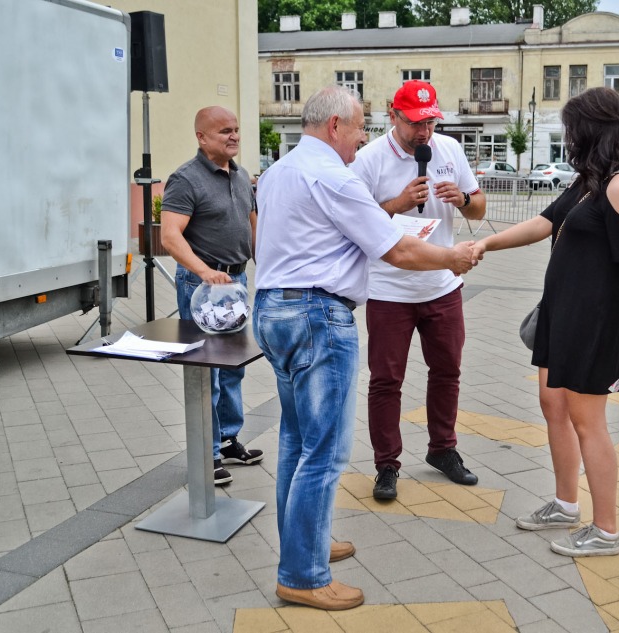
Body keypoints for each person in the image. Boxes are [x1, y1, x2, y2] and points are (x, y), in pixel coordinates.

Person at [253, 85, 475, 610]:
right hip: (317, 317)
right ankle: (303, 576)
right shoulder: (334, 177)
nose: (362, 137)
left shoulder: (280, 171)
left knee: (296, 441)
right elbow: (397, 249)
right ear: (335, 126)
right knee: (324, 451)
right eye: (358, 128)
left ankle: (305, 542)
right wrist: (452, 258)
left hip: (274, 309)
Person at [471, 87, 619, 557]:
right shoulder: (589, 180)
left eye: (572, 128)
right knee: (553, 405)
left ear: (593, 128)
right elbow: (543, 223)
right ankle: (566, 504)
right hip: (561, 313)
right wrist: (485, 244)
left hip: (594, 323)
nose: (568, 137)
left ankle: (606, 531)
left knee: (588, 422)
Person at [349, 80, 487, 500]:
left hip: (442, 285)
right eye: (415, 123)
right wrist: (396, 203)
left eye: (430, 122)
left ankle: (442, 449)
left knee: (447, 371)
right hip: (389, 289)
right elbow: (352, 220)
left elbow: (479, 208)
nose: (424, 132)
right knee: (386, 380)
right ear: (393, 116)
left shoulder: (449, 150)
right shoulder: (369, 159)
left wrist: (463, 199)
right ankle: (386, 464)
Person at [161, 106, 264, 485]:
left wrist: (269, 269)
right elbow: (170, 236)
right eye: (224, 131)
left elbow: (253, 229)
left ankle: (228, 438)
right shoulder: (185, 179)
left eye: (235, 129)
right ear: (202, 137)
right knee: (208, 373)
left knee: (233, 366)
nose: (234, 136)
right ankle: (208, 453)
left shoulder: (240, 176)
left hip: (235, 283)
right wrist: (204, 271)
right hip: (202, 286)